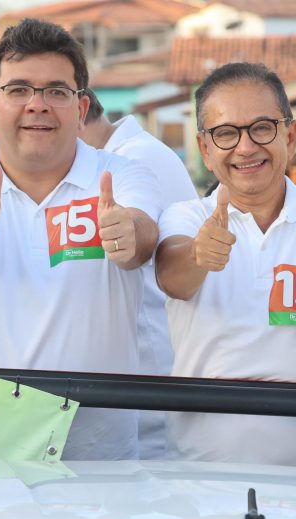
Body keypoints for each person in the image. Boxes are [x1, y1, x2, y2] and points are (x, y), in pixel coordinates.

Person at [0, 19, 161, 460]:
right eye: (19, 90)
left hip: (96, 464)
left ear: (81, 108)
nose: (38, 105)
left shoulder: (122, 175)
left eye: (56, 91)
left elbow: (143, 233)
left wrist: (130, 235)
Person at [155, 62, 296, 470]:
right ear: (205, 148)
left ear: (290, 136)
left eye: (262, 127)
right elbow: (172, 276)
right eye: (226, 134)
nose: (245, 147)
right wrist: (198, 256)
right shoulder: (186, 217)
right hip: (200, 476)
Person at [79, 89, 197, 459]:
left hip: (149, 386)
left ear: (77, 110)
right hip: (139, 384)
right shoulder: (130, 153)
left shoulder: (130, 162)